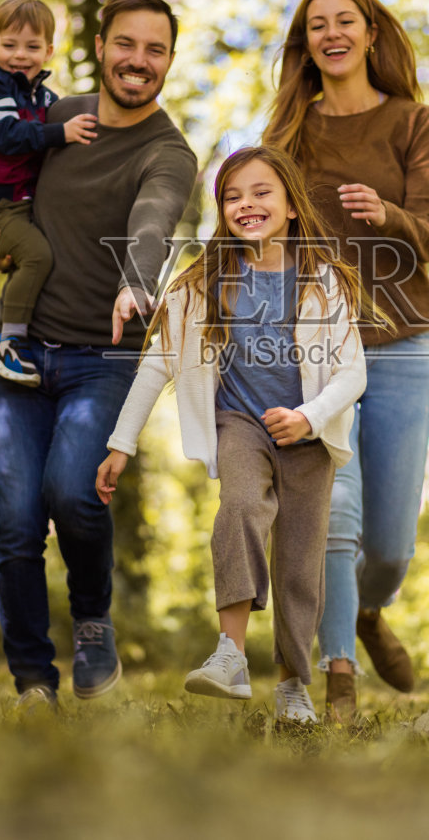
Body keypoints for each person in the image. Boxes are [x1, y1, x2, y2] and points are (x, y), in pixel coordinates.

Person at [94, 146, 386, 724]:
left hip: (309, 438)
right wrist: (121, 444)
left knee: (301, 565)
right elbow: (158, 362)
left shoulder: (322, 281)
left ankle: (294, 684)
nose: (246, 204)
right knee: (241, 506)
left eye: (261, 192)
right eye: (233, 195)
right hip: (240, 426)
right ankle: (229, 653)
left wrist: (309, 416)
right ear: (220, 210)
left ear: (292, 207)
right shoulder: (204, 281)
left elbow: (353, 371)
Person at [0, 0, 198, 709]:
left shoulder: (169, 151)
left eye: (154, 49)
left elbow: (154, 217)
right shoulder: (55, 121)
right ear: (100, 46)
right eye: (125, 43)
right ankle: (33, 680)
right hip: (22, 351)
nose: (138, 60)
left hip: (106, 358)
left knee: (73, 492)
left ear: (167, 60)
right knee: (14, 524)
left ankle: (92, 617)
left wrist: (138, 280)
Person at [263, 0, 429, 724]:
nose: (331, 34)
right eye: (316, 25)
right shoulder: (289, 136)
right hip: (320, 347)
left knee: (391, 542)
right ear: (305, 44)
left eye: (345, 21)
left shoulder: (414, 122)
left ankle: (370, 613)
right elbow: (257, 228)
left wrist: (388, 212)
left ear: (372, 32)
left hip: (402, 341)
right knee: (334, 514)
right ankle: (341, 679)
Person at [0, 0, 100, 385]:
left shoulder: (45, 98)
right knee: (36, 255)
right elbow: (4, 136)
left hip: (21, 203)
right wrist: (60, 133)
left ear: (49, 51)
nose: (21, 55)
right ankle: (7, 341)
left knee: (56, 250)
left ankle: (48, 337)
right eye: (9, 45)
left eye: (32, 46)